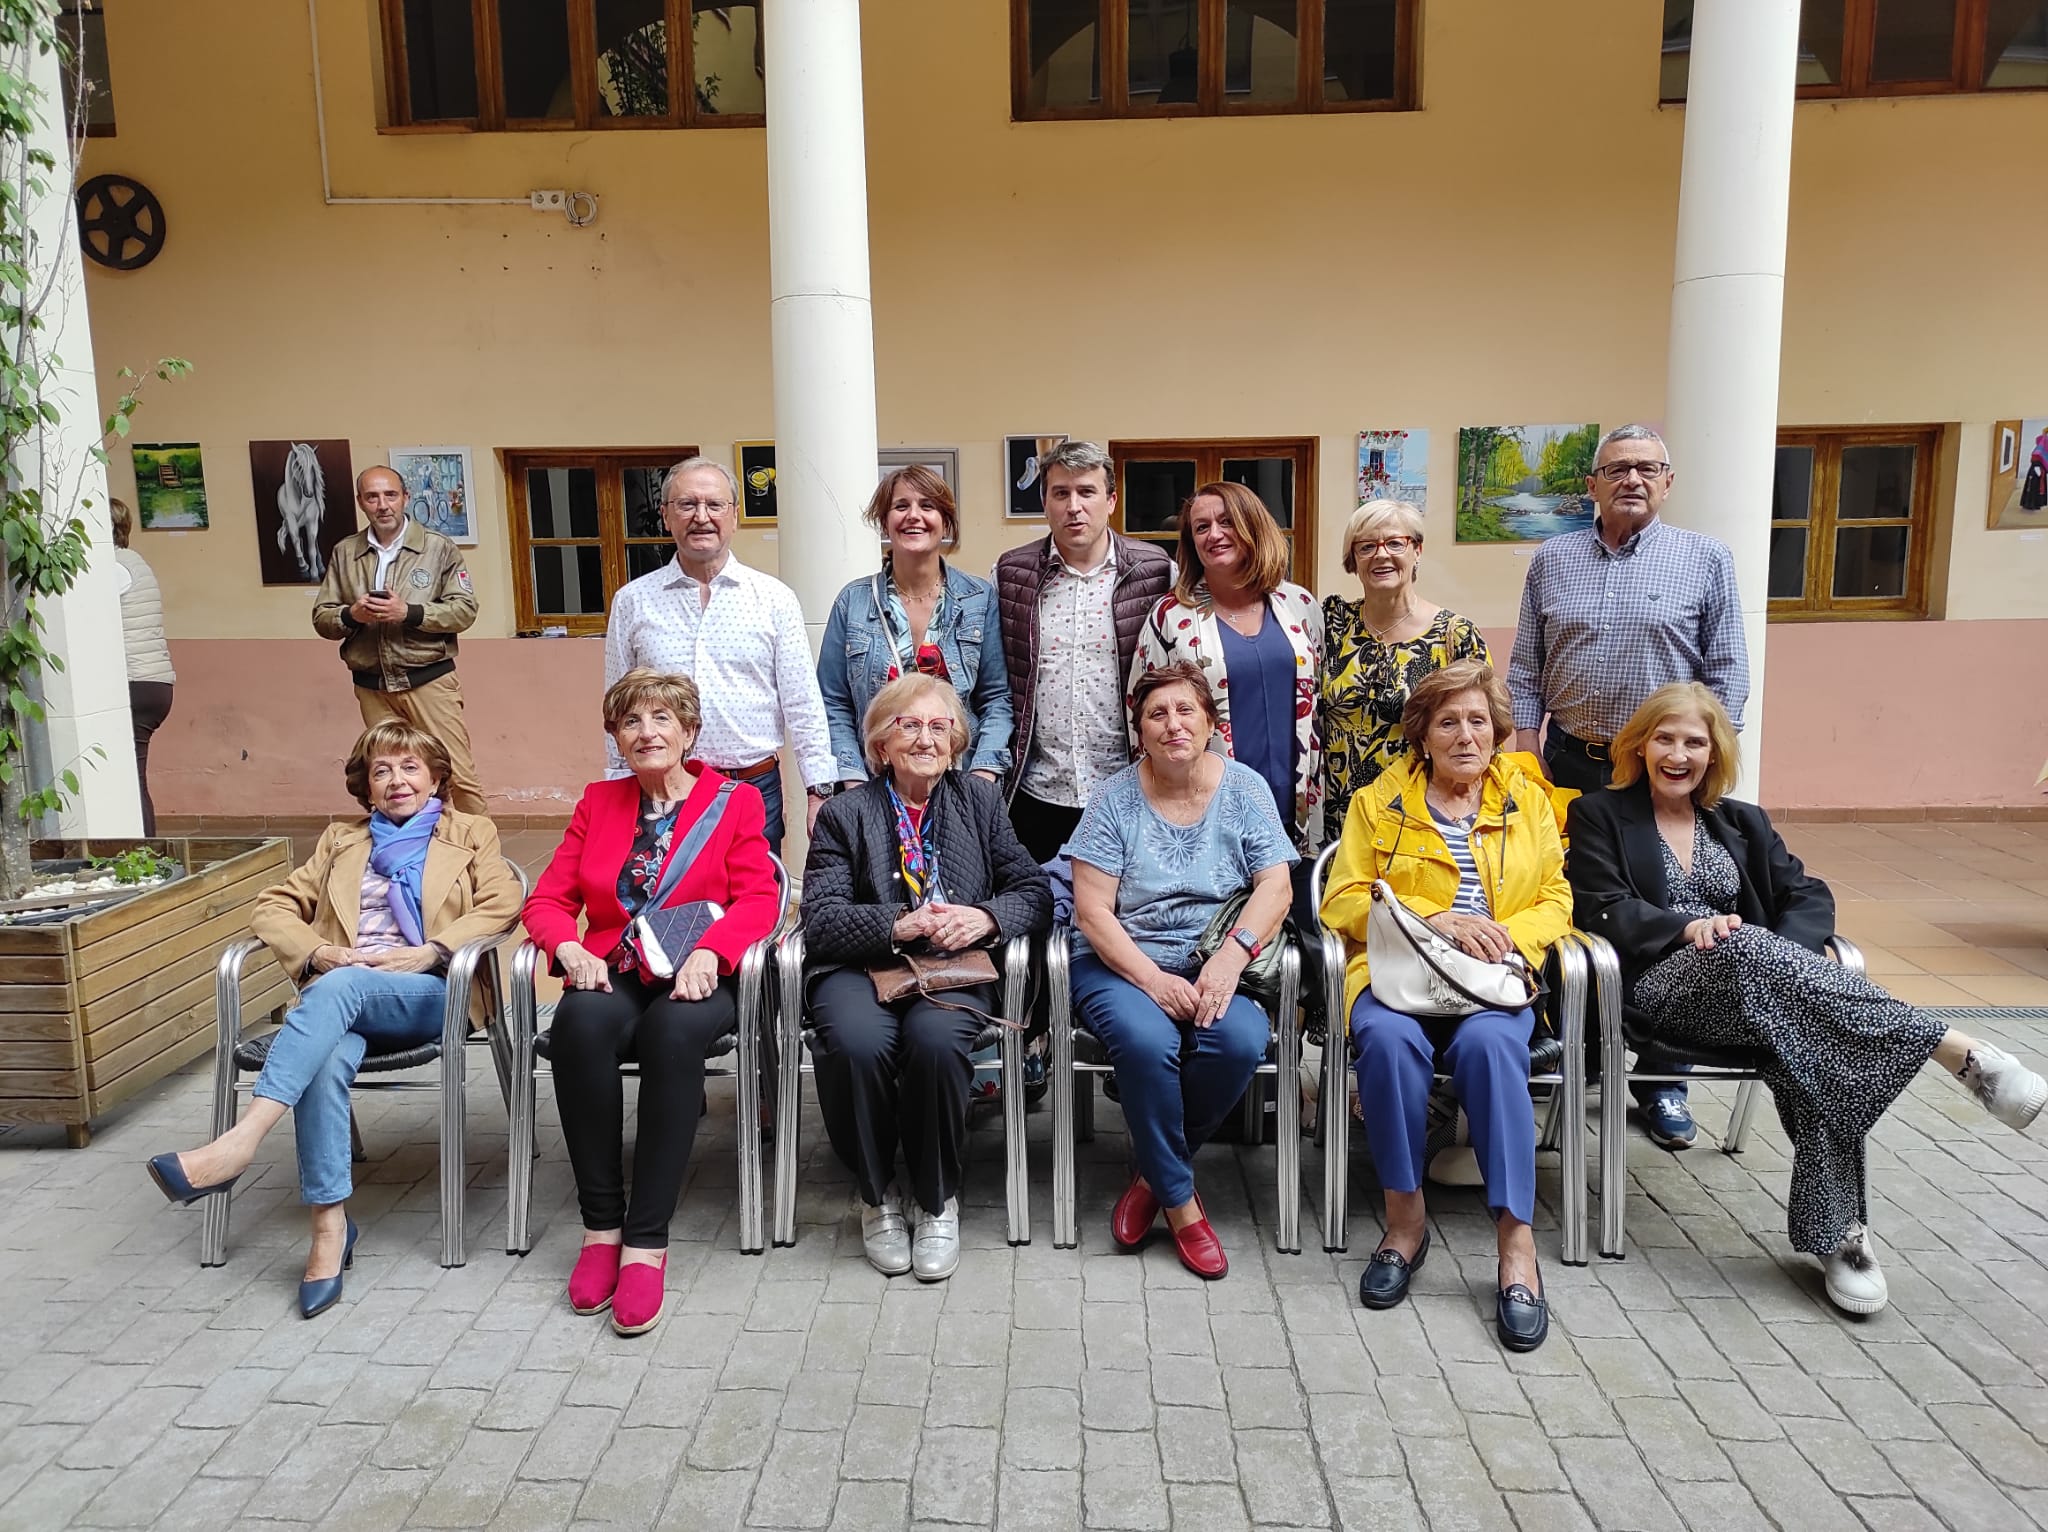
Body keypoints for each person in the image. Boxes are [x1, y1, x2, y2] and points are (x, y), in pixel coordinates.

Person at [1567, 684, 2046, 1317]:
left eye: (1694, 741)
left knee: (1818, 1042)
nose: (1678, 754)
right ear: (1639, 745)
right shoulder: (1600, 813)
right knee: (1742, 949)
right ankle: (1959, 1052)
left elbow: (1809, 895)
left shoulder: (1741, 821)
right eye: (1664, 738)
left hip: (1765, 991)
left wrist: (1778, 956)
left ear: (1714, 753)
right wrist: (1689, 928)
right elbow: (1603, 906)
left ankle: (1841, 1237)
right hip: (1662, 990)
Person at [144, 722, 521, 1318]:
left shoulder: (470, 832)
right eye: (381, 771)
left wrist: (433, 950)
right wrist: (318, 952)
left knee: (337, 991)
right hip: (340, 996)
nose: (397, 781)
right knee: (323, 1053)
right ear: (366, 788)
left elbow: (503, 903)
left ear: (436, 776)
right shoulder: (341, 840)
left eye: (410, 768)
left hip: (426, 993)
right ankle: (329, 1227)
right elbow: (273, 905)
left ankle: (238, 1145)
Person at [1506, 423, 1748, 1150]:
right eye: (1616, 470)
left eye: (1647, 468)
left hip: (1662, 770)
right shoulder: (1554, 559)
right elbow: (1526, 663)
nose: (1631, 480)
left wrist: (1699, 761)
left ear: (1668, 480)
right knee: (1573, 907)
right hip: (1573, 764)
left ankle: (1664, 1075)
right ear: (1592, 485)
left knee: (1670, 906)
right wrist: (1528, 752)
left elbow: (1728, 668)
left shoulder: (1705, 559)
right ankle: (1576, 1044)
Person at [1319, 660, 1572, 1352]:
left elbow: (1556, 896)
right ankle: (1405, 1221)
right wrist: (1437, 918)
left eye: (1478, 722)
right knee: (1387, 1042)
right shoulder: (1380, 802)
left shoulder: (1528, 802)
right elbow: (1341, 898)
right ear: (1423, 735)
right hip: (1399, 977)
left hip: (1492, 983)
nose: (1466, 735)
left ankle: (1515, 1243)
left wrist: (1505, 939)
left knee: (1493, 1050)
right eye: (1448, 722)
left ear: (1496, 732)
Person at [523, 669, 782, 1336]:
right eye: (632, 722)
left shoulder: (736, 802)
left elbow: (759, 897)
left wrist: (712, 953)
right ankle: (600, 1229)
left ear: (689, 731)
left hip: (700, 971)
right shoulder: (598, 802)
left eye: (662, 719)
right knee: (579, 1024)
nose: (648, 733)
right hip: (617, 965)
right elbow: (549, 900)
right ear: (617, 736)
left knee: (672, 1034)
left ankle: (645, 1242)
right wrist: (569, 950)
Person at [800, 674, 1053, 1279]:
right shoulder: (844, 814)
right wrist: (900, 924)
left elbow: (1034, 892)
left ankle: (937, 1198)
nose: (926, 738)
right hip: (862, 965)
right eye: (908, 725)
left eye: (939, 727)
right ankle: (876, 1193)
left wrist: (984, 917)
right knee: (860, 1044)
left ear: (957, 741)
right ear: (881, 745)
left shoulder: (981, 803)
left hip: (954, 963)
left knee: (936, 1043)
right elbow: (822, 919)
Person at [1066, 661, 1296, 1279]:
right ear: (1139, 729)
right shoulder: (1114, 800)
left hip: (1219, 959)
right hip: (1120, 962)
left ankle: (1151, 1179)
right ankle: (1183, 1204)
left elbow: (1276, 885)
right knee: (1148, 1042)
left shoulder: (1245, 789)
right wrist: (1153, 979)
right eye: (1157, 714)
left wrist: (1229, 957)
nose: (1173, 725)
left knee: (1239, 1039)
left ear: (1211, 723)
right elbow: (1092, 913)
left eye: (1185, 710)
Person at [603, 457, 836, 857]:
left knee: (754, 905)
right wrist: (618, 789)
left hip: (752, 786)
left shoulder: (774, 599)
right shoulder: (633, 602)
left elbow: (802, 703)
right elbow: (616, 706)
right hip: (662, 787)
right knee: (670, 909)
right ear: (665, 515)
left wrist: (820, 790)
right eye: (687, 505)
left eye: (714, 505)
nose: (701, 517)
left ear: (734, 516)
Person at [992, 441, 1173, 863]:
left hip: (1128, 787)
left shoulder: (1155, 570)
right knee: (1040, 914)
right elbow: (998, 679)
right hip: (1036, 791)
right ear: (1045, 502)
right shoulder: (1010, 573)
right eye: (1061, 493)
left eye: (1087, 492)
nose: (1074, 506)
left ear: (1110, 500)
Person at [1130, 480, 1322, 858]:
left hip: (1296, 802)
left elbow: (1321, 704)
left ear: (1252, 525)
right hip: (1207, 808)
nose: (1214, 534)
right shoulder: (1170, 618)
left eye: (1227, 521)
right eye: (1201, 527)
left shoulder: (1299, 604)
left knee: (1295, 908)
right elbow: (1141, 719)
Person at [819, 465, 1013, 789]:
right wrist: (852, 782)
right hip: (872, 785)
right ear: (885, 520)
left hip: (960, 784)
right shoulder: (852, 602)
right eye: (901, 506)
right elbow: (833, 702)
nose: (914, 515)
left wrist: (983, 776)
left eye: (927, 506)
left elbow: (996, 698)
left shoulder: (979, 599)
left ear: (944, 521)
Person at [311, 466, 486, 814]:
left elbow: (465, 610)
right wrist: (351, 615)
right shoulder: (345, 552)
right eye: (372, 497)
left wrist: (410, 613)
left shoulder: (438, 548)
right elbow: (322, 617)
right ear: (361, 502)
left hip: (429, 680)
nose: (382, 505)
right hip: (373, 688)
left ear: (406, 497)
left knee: (458, 776)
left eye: (390, 495)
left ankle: (482, 860)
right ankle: (408, 859)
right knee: (393, 782)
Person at [1318, 498, 1488, 847]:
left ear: (1417, 551)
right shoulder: (1331, 624)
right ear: (1353, 560)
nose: (1381, 555)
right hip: (1340, 815)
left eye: (1395, 543)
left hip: (1423, 817)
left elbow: (1487, 734)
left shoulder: (1455, 636)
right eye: (1366, 546)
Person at [108, 496, 176, 836]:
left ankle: (142, 852)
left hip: (134, 682)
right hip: (152, 682)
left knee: (129, 778)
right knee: (131, 774)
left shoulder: (112, 568)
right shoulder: (133, 562)